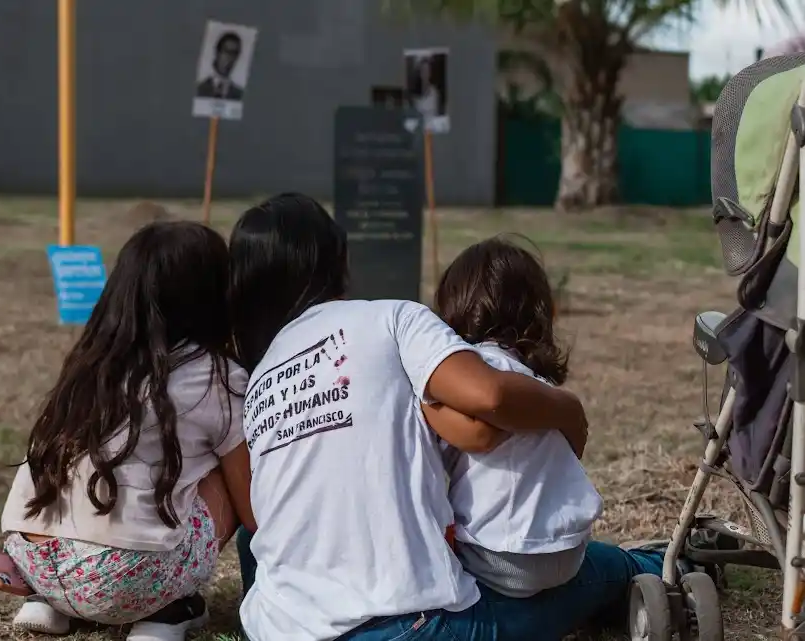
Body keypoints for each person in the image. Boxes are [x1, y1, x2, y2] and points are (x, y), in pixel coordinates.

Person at [227, 193, 590, 641]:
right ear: (339, 262)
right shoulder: (390, 318)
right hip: (406, 624)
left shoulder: (259, 380)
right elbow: (489, 398)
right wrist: (568, 409)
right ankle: (652, 567)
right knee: (593, 572)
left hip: (280, 629)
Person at [0, 219, 256, 641]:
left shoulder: (90, 362)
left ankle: (51, 603)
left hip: (33, 560)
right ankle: (168, 611)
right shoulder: (217, 376)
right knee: (224, 465)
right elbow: (251, 510)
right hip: (126, 580)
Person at [431, 236, 604, 598]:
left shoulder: (475, 373)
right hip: (568, 551)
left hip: (500, 555)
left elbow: (473, 436)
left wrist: (424, 400)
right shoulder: (537, 385)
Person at [196, 31, 245, 101]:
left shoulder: (240, 95)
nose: (231, 58)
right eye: (227, 51)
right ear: (217, 52)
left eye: (235, 53)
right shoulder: (198, 89)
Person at [409, 56, 442, 124]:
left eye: (427, 71)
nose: (425, 74)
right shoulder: (414, 95)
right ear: (420, 73)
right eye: (423, 71)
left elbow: (437, 116)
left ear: (430, 73)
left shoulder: (435, 93)